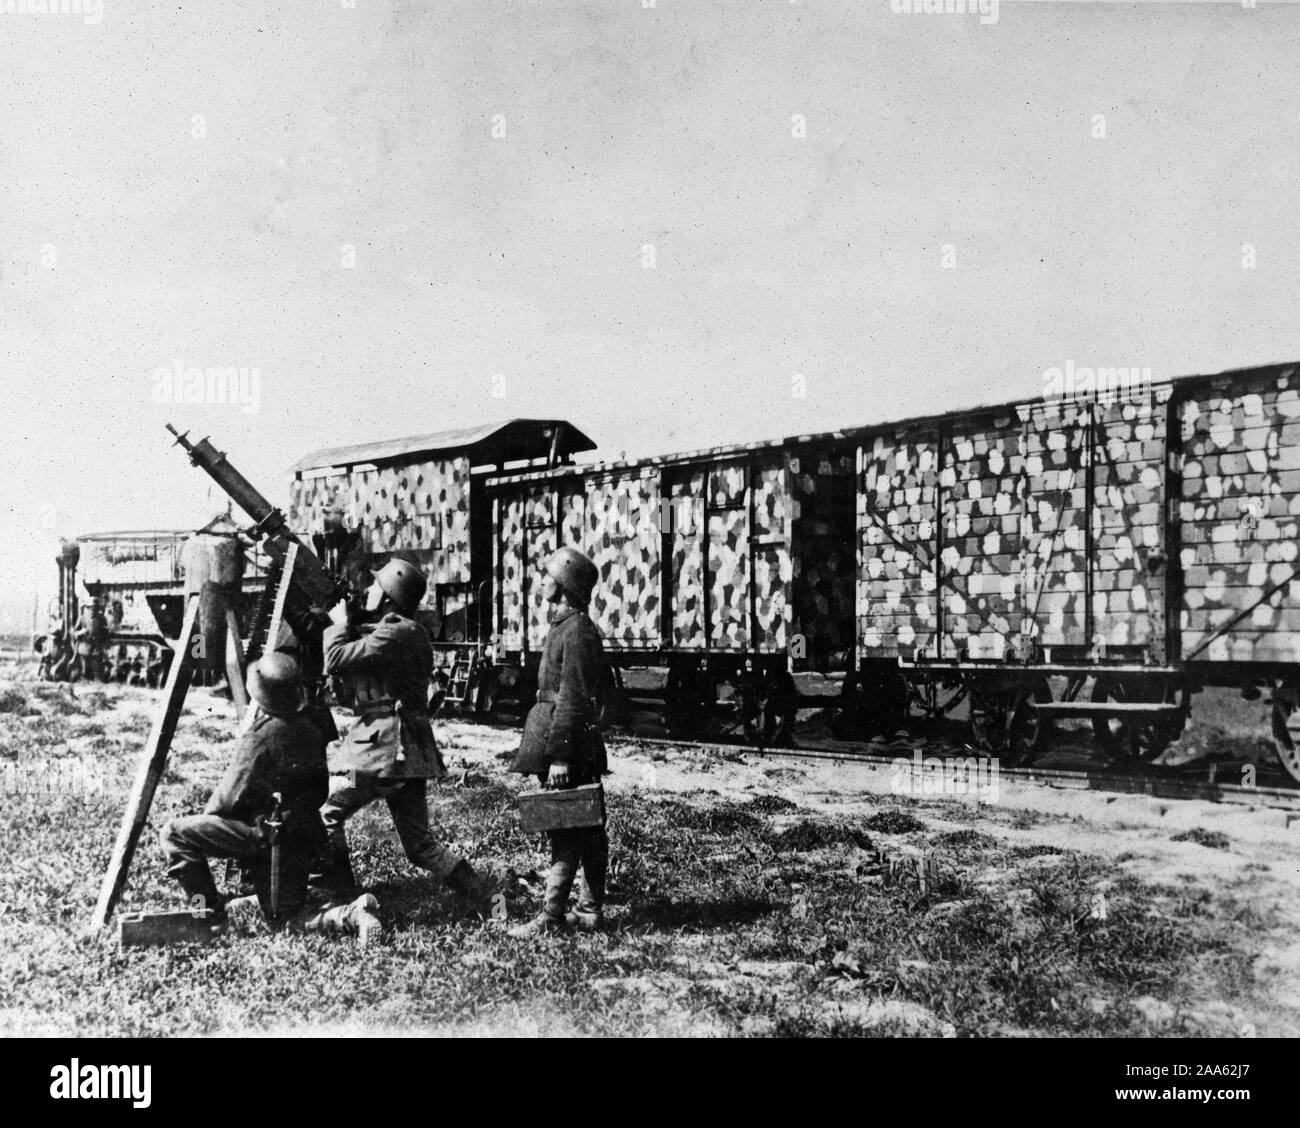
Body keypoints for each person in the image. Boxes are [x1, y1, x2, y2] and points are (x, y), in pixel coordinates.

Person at [159, 652, 382, 943]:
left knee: (176, 835)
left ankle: (208, 918)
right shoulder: (311, 729)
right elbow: (320, 790)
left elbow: (227, 799)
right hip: (302, 837)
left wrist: (209, 821)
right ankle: (350, 912)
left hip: (266, 837)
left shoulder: (261, 736)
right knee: (285, 914)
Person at [316, 557, 488, 901]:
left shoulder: (396, 631)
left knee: (326, 813)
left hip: (380, 755)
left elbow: (335, 659)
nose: (367, 590)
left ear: (390, 596)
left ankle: (344, 895)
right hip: (405, 757)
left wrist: (337, 623)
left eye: (375, 586)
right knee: (420, 846)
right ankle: (486, 896)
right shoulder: (401, 629)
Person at [508, 547, 610, 937]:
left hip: (568, 745)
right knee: (582, 826)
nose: (542, 580)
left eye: (548, 574)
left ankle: (553, 915)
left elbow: (573, 696)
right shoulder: (566, 625)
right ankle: (588, 910)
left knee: (568, 825)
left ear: (565, 583)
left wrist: (562, 757)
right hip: (559, 737)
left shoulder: (578, 630)